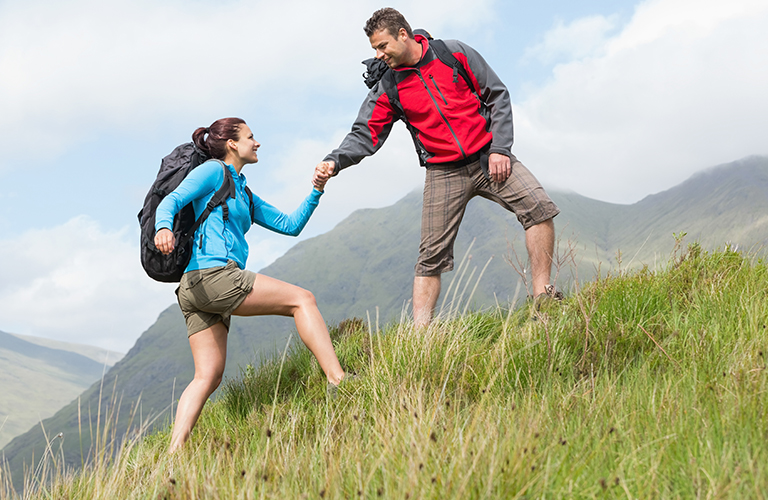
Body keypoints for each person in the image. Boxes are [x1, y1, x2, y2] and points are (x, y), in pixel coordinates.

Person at [313, 8, 561, 327]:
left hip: (489, 156)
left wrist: (500, 148)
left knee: (538, 209)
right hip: (443, 171)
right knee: (430, 256)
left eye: (382, 45)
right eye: (374, 49)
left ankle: (542, 296)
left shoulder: (452, 53)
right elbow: (366, 133)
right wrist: (335, 160)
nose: (378, 55)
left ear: (403, 34)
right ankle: (421, 336)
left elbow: (496, 95)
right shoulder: (388, 85)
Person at [155, 117, 347, 452]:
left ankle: (173, 455)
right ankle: (338, 380)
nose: (256, 143)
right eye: (250, 137)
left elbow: (290, 225)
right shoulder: (214, 171)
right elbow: (172, 199)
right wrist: (163, 228)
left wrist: (316, 190)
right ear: (232, 144)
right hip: (214, 275)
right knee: (303, 299)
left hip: (196, 288)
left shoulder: (242, 191)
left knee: (208, 376)